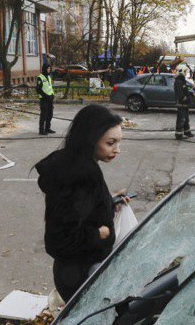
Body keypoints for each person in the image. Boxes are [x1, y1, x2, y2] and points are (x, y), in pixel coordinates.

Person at [35, 105, 129, 302]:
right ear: (91, 139)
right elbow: (60, 238)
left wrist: (109, 202)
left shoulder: (73, 164)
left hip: (74, 272)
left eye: (118, 143)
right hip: (80, 275)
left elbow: (77, 210)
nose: (117, 150)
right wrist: (99, 234)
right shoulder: (83, 174)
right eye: (110, 143)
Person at [174, 66, 193, 140]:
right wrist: (185, 99)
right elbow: (180, 94)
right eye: (185, 71)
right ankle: (178, 135)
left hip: (184, 103)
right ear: (181, 71)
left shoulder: (182, 80)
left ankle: (187, 132)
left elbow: (185, 90)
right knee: (181, 118)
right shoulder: (178, 81)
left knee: (186, 118)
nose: (186, 73)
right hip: (181, 103)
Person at [36, 63, 56, 135]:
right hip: (44, 99)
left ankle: (47, 128)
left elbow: (50, 87)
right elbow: (38, 90)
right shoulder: (40, 77)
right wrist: (46, 96)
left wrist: (52, 95)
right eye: (48, 68)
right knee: (43, 115)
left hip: (50, 98)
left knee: (50, 114)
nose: (49, 70)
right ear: (44, 69)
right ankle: (41, 130)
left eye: (50, 68)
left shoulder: (49, 77)